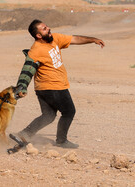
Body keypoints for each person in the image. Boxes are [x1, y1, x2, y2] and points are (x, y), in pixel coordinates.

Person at [16, 19, 105, 148]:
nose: (49, 28)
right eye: (44, 28)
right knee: (69, 112)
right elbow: (27, 70)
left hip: (43, 88)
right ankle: (61, 141)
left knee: (49, 115)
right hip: (53, 87)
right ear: (38, 36)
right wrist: (21, 87)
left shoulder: (55, 38)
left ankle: (24, 134)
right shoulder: (36, 50)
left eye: (47, 26)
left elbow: (75, 39)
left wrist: (93, 39)